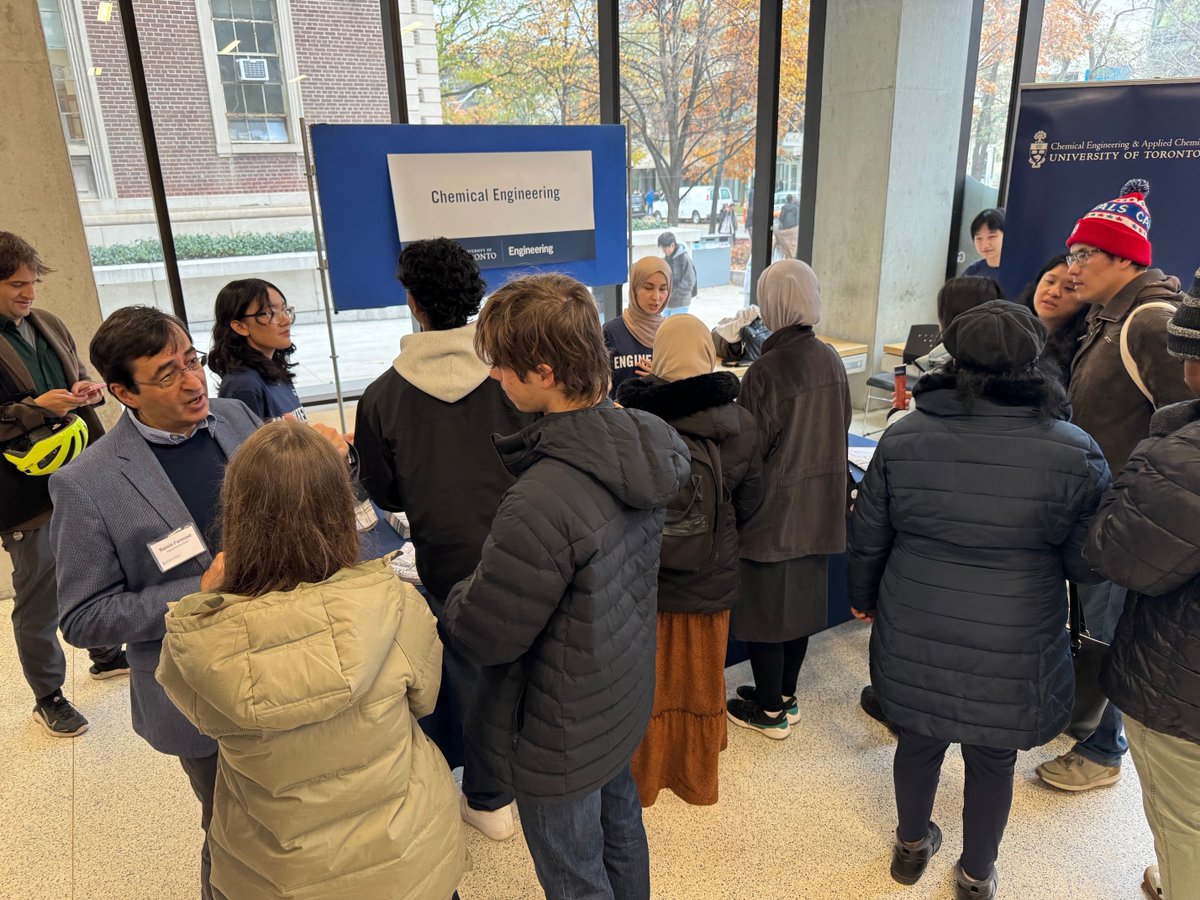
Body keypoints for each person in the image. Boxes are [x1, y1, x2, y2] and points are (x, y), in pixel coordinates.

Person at [48, 305, 349, 898]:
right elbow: (83, 618)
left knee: (308, 816)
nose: (192, 382)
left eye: (192, 361)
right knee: (233, 834)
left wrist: (337, 464)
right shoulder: (88, 483)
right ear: (122, 392)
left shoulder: (235, 417)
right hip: (201, 690)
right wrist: (199, 589)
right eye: (167, 374)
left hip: (291, 660)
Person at [848, 301, 1110, 900]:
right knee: (994, 756)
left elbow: (869, 533)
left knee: (918, 739)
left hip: (916, 617)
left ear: (954, 357)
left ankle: (911, 847)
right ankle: (976, 876)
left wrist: (862, 597)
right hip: (1017, 629)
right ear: (1034, 361)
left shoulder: (905, 435)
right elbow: (1084, 562)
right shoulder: (1075, 450)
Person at [443, 273, 689, 900]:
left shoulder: (542, 497)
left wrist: (459, 593)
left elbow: (487, 633)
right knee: (622, 830)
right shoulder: (645, 439)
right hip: (619, 690)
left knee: (575, 873)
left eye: (504, 365)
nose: (496, 376)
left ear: (545, 372)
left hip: (559, 726)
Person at [157, 421, 467, 900]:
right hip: (401, 852)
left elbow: (199, 719)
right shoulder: (395, 601)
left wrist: (203, 603)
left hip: (277, 870)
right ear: (340, 507)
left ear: (237, 511)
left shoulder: (202, 637)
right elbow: (424, 700)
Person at [355, 237, 531, 841]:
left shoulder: (382, 397)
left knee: (474, 680)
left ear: (413, 301)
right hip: (531, 547)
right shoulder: (516, 378)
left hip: (448, 560)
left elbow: (386, 493)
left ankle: (489, 798)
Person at [1036, 178, 1192, 793]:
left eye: (1084, 255)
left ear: (1124, 258)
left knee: (1112, 630)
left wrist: (1137, 503)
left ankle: (1103, 749)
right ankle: (1091, 726)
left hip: (1130, 516)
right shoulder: (1108, 316)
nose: (1071, 267)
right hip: (1099, 507)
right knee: (1095, 623)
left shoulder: (1149, 321)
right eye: (1072, 253)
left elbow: (1184, 429)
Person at [616, 314, 764, 806]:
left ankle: (645, 777)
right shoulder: (740, 424)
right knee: (701, 679)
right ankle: (697, 777)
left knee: (649, 682)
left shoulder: (630, 421)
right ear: (708, 353)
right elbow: (752, 502)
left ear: (658, 356)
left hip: (645, 579)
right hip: (710, 575)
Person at [1083, 278, 1200, 900]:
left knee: (1184, 822)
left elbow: (1120, 555)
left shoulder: (1183, 455)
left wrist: (1154, 452)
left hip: (1183, 681)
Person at [0, 231, 124, 738]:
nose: (29, 294)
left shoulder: (47, 323)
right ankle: (47, 696)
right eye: (16, 285)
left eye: (33, 283)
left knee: (100, 564)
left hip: (81, 471)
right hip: (23, 492)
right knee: (40, 593)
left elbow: (76, 377)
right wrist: (35, 409)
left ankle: (105, 652)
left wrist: (85, 391)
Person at [725, 259, 852, 737]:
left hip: (773, 513)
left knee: (765, 616)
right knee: (798, 612)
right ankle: (783, 695)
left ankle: (769, 712)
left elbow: (749, 449)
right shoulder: (830, 357)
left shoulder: (767, 369)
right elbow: (841, 424)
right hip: (819, 508)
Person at [207, 278, 304, 421]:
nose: (286, 320)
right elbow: (246, 436)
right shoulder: (243, 385)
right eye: (269, 313)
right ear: (240, 326)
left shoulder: (274, 369)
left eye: (284, 310)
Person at [1016, 255, 1089, 388]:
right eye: (1049, 281)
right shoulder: (1009, 328)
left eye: (1069, 288)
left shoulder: (1083, 352)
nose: (1054, 292)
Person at [604, 256, 669, 396]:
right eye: (648, 288)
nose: (656, 297)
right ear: (634, 287)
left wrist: (665, 379)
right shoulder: (610, 332)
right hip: (619, 409)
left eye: (663, 289)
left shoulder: (673, 333)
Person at [961, 208, 1024, 299]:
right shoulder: (972, 272)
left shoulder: (1022, 272)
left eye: (992, 236)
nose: (985, 244)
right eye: (979, 238)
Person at [658, 231, 697, 317]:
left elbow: (689, 282)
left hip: (680, 302)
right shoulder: (667, 258)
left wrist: (674, 294)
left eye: (664, 248)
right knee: (664, 323)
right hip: (668, 302)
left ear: (672, 245)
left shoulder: (684, 258)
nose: (663, 251)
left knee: (675, 324)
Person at [774, 193, 800, 259]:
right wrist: (796, 224)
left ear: (787, 199)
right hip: (793, 226)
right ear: (792, 199)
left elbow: (781, 217)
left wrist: (782, 223)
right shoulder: (795, 207)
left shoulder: (784, 207)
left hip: (785, 226)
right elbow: (797, 217)